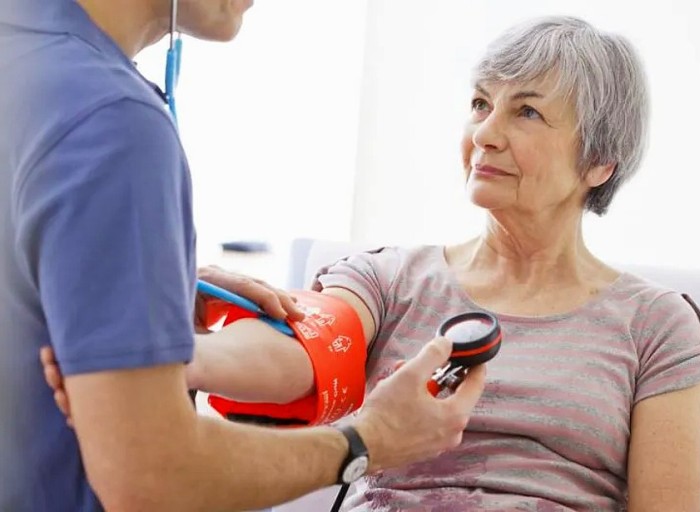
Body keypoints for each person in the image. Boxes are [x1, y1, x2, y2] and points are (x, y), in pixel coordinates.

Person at [40, 14, 700, 512]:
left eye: (527, 114)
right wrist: (165, 358)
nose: (484, 133)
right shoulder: (390, 278)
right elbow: (298, 353)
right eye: (480, 103)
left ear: (599, 161)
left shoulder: (656, 325)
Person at [0, 0, 487, 510]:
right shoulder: (111, 121)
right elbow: (154, 475)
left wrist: (133, 281)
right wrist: (369, 441)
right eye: (480, 104)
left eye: (529, 112)